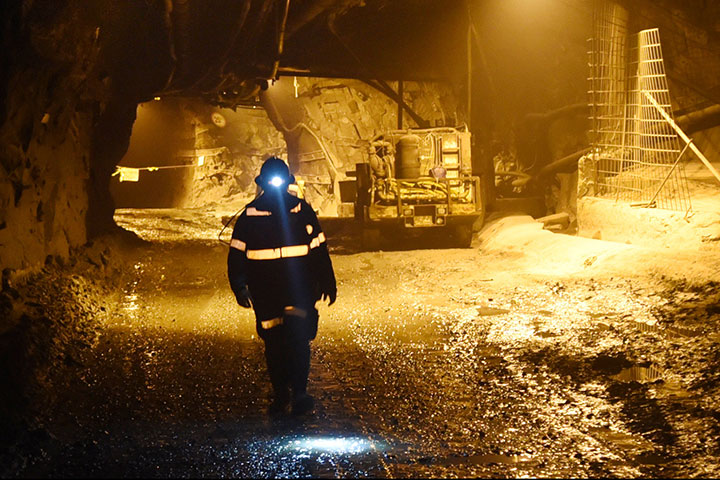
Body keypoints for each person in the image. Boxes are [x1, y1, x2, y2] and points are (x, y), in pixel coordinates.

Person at [227, 156, 337, 416]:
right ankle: (280, 395)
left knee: (299, 339)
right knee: (274, 343)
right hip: (266, 291)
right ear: (265, 183)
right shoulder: (249, 215)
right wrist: (239, 286)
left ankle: (299, 393)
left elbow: (319, 248)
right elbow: (236, 255)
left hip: (298, 288)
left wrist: (328, 282)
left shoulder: (302, 211)